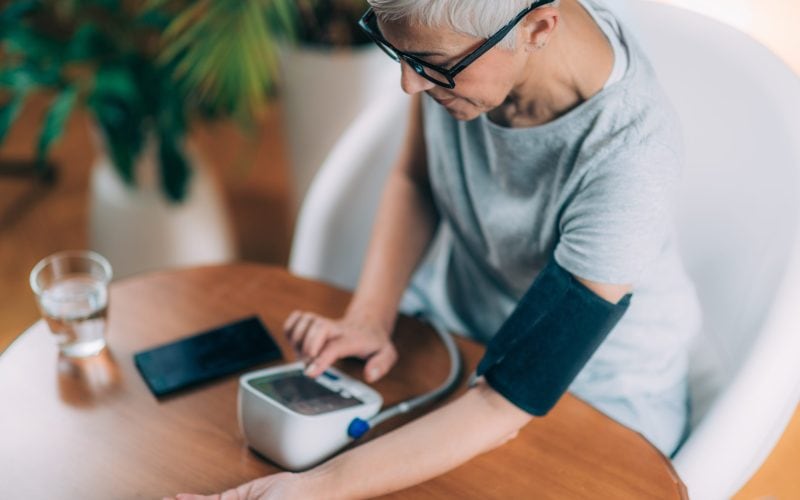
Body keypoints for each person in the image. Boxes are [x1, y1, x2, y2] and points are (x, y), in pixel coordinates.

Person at [175, 0, 701, 497]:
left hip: (589, 396)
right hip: (457, 337)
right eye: (398, 53)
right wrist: (369, 317)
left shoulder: (632, 163)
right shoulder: (456, 50)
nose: (409, 84)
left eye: (430, 65)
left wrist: (313, 489)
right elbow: (416, 178)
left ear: (538, 29)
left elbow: (505, 399)